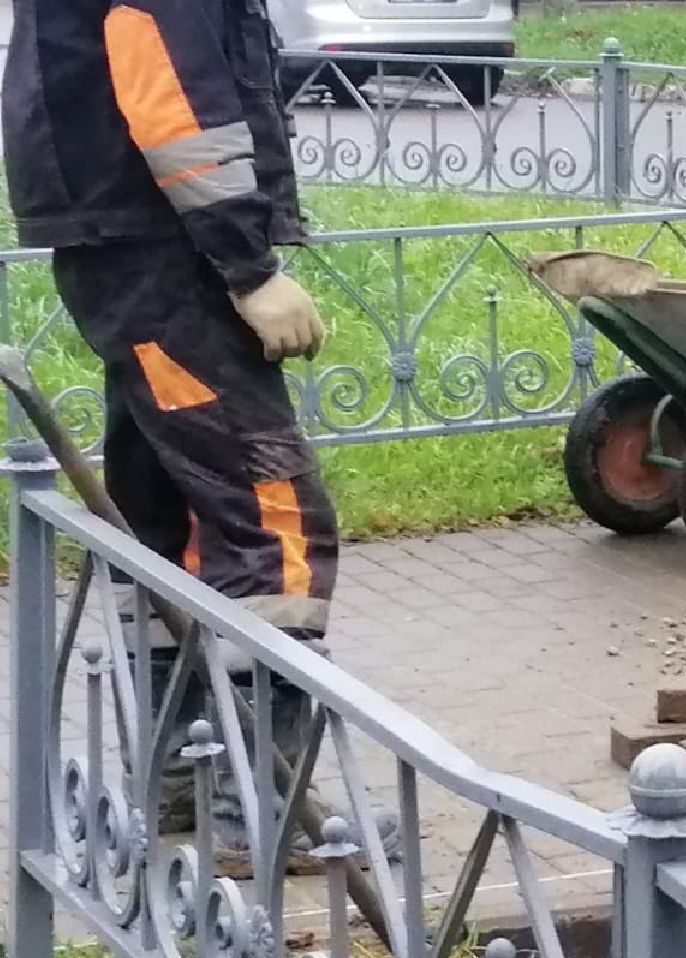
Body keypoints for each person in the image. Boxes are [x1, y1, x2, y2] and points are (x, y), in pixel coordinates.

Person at [3, 0, 393, 874]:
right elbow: (170, 94)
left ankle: (186, 777)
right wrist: (248, 267)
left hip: (118, 245)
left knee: (172, 516)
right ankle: (262, 812)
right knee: (273, 519)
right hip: (170, 257)